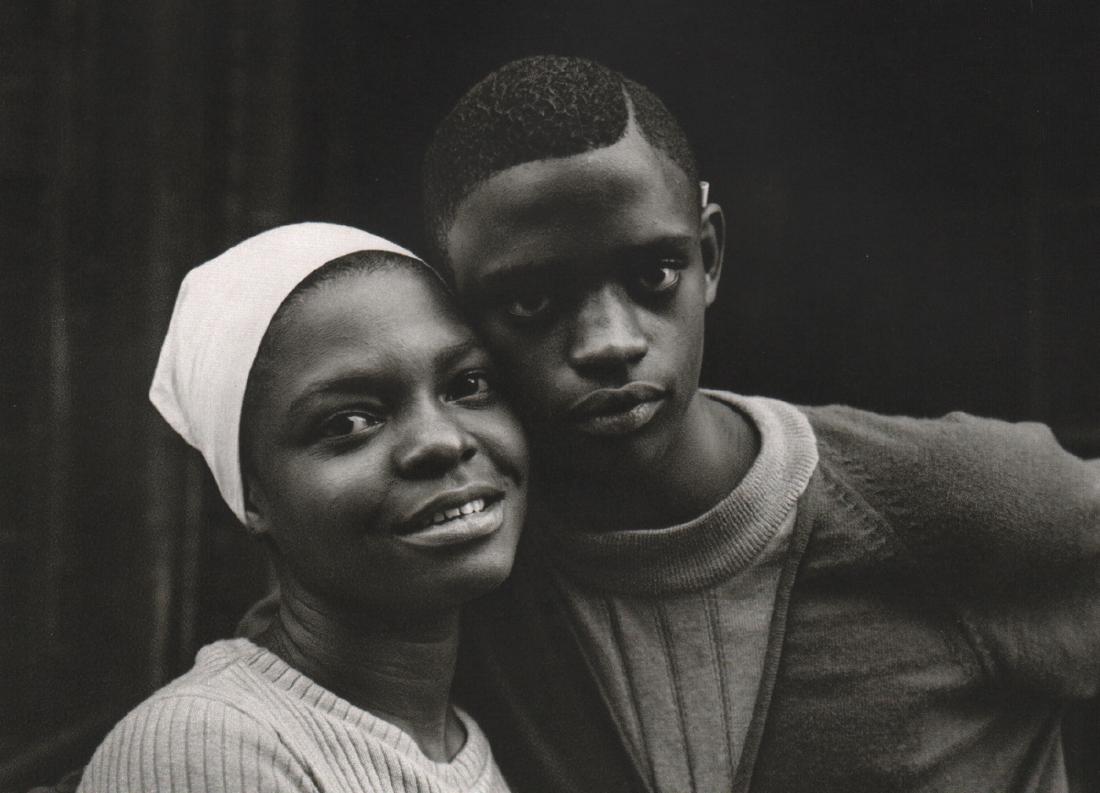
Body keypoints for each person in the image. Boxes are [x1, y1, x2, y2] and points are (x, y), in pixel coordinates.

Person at [420, 55, 1100, 793]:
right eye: (530, 303)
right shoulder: (454, 578)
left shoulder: (965, 501)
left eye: (653, 275)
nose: (610, 340)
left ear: (707, 256)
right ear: (455, 316)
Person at [76, 223, 526, 793]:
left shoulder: (464, 742)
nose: (443, 440)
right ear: (253, 494)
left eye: (467, 385)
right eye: (349, 422)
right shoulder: (208, 746)